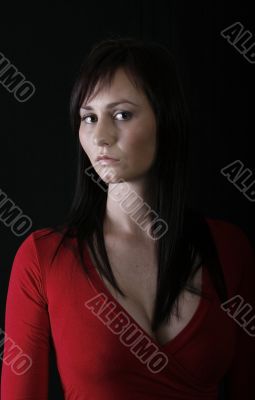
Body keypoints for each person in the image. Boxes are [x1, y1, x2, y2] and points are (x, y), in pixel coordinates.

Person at [1, 36, 255, 400]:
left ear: (165, 120)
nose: (100, 136)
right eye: (89, 117)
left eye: (122, 114)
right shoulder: (43, 259)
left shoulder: (230, 250)